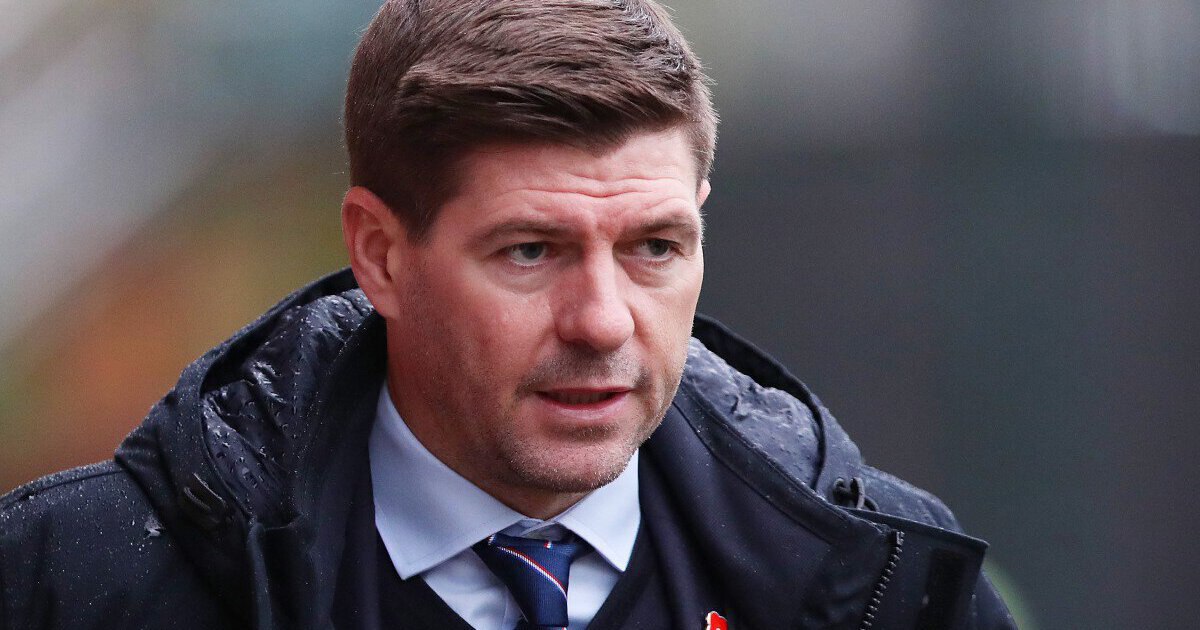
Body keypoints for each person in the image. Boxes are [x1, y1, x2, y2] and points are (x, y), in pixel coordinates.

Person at [0, 1, 1016, 628]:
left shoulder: (887, 584)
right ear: (379, 254)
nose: (603, 321)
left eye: (655, 248)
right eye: (530, 251)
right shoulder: (76, 584)